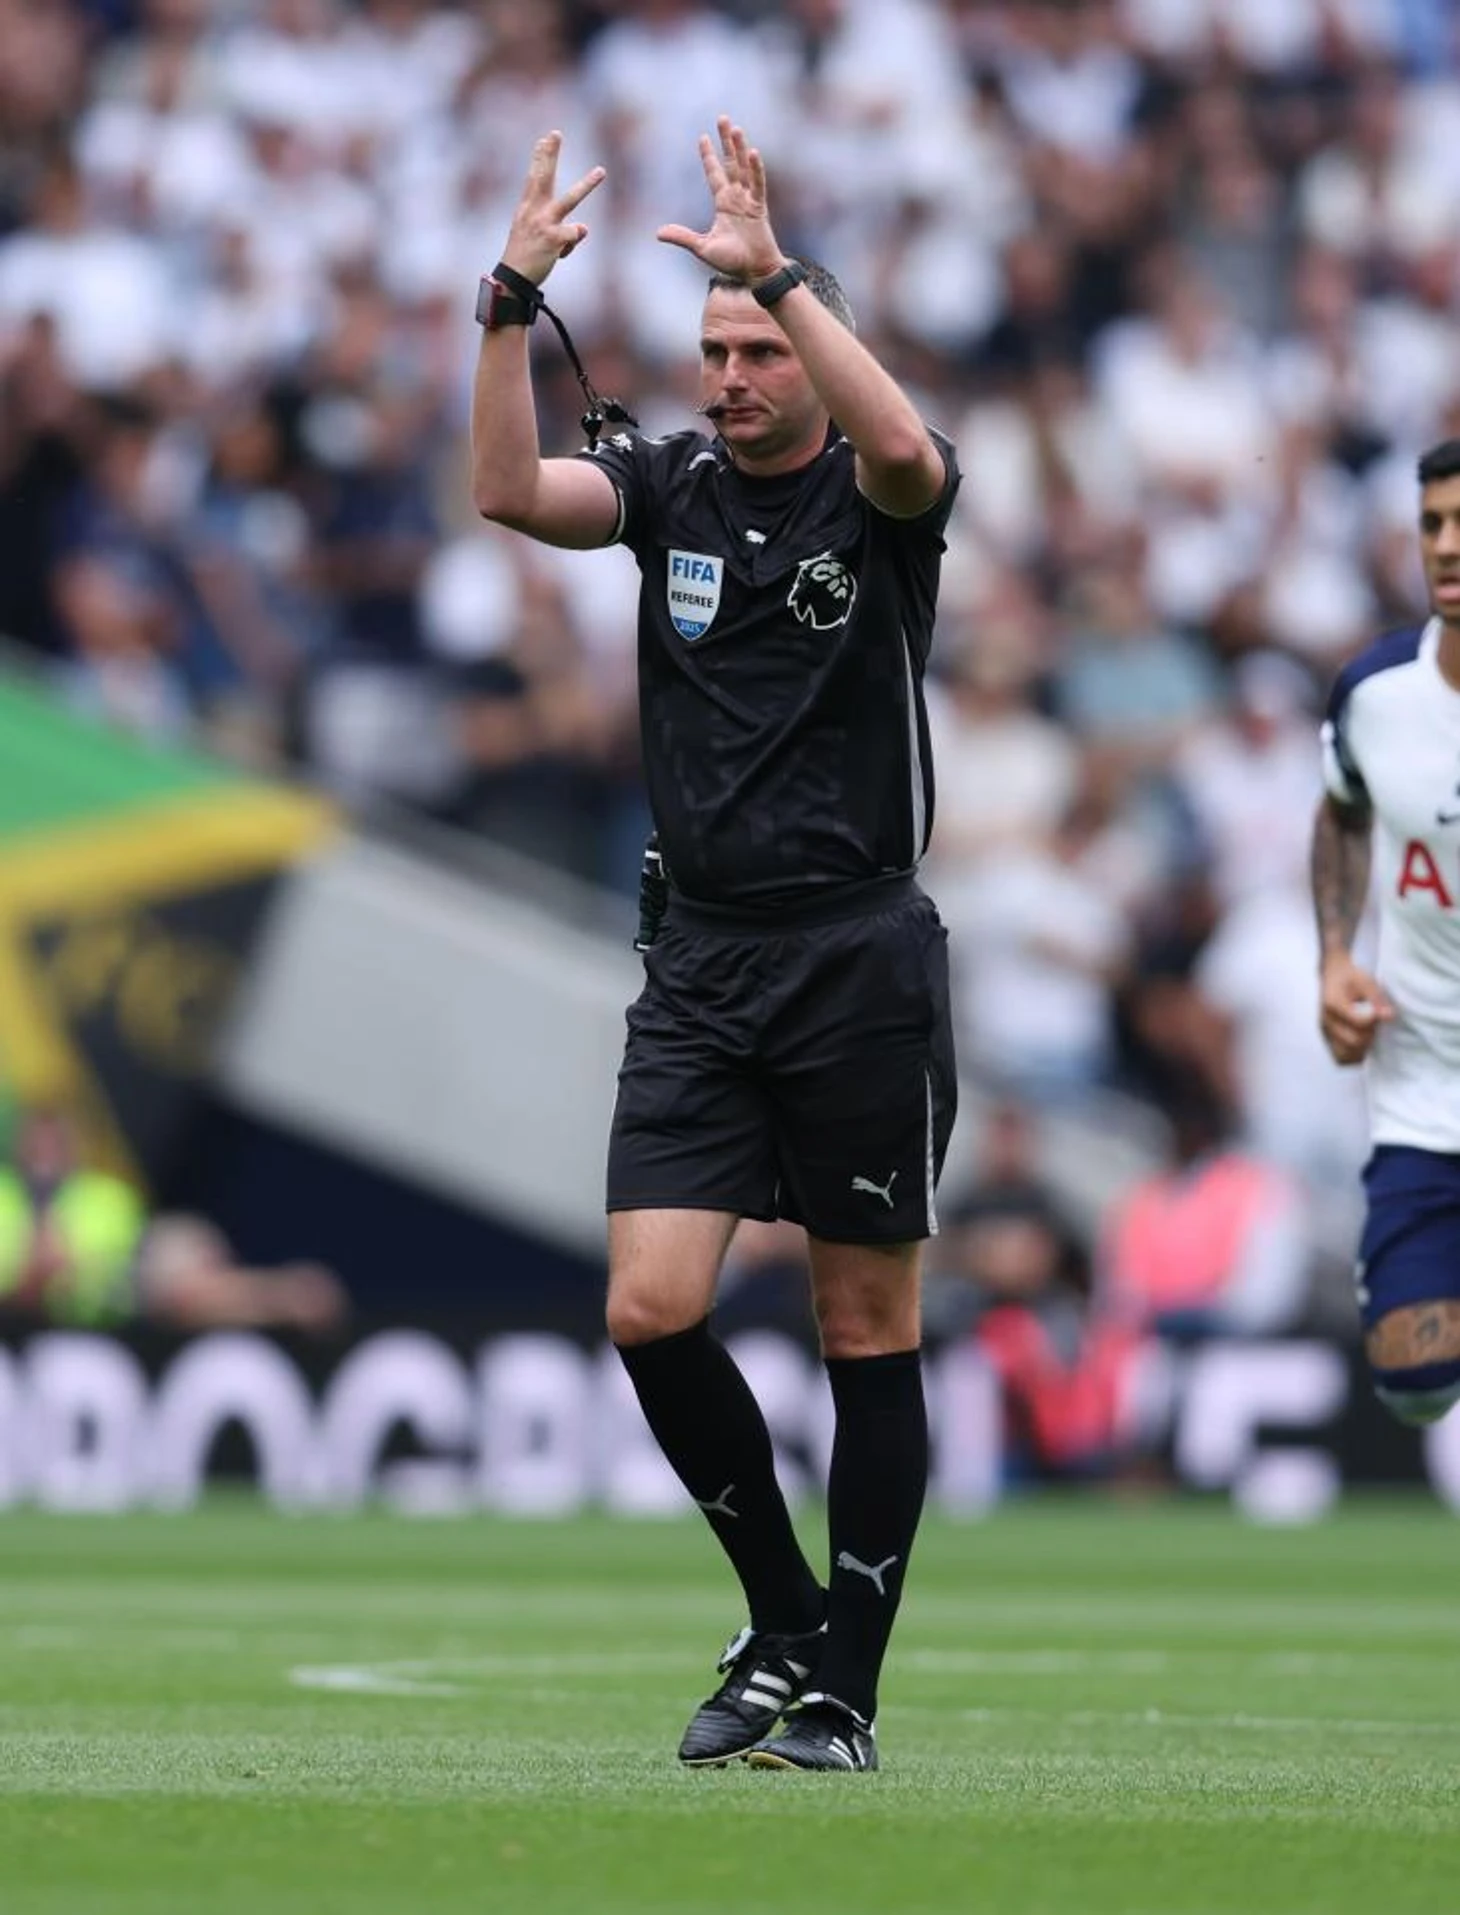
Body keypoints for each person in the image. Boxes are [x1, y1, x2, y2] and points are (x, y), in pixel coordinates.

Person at [470, 120, 960, 1773]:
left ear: (808, 347)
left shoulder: (879, 502)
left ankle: (847, 1693)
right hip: (700, 961)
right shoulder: (669, 486)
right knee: (648, 1304)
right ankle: (781, 1614)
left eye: (757, 349)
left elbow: (907, 446)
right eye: (717, 350)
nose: (734, 374)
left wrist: (781, 269)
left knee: (864, 1327)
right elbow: (501, 488)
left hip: (858, 959)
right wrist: (504, 304)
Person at [1311, 436, 1460, 1428]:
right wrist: (1331, 958)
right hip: (1422, 1093)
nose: (1444, 547)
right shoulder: (1373, 695)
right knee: (1412, 1384)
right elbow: (1341, 813)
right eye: (1431, 525)